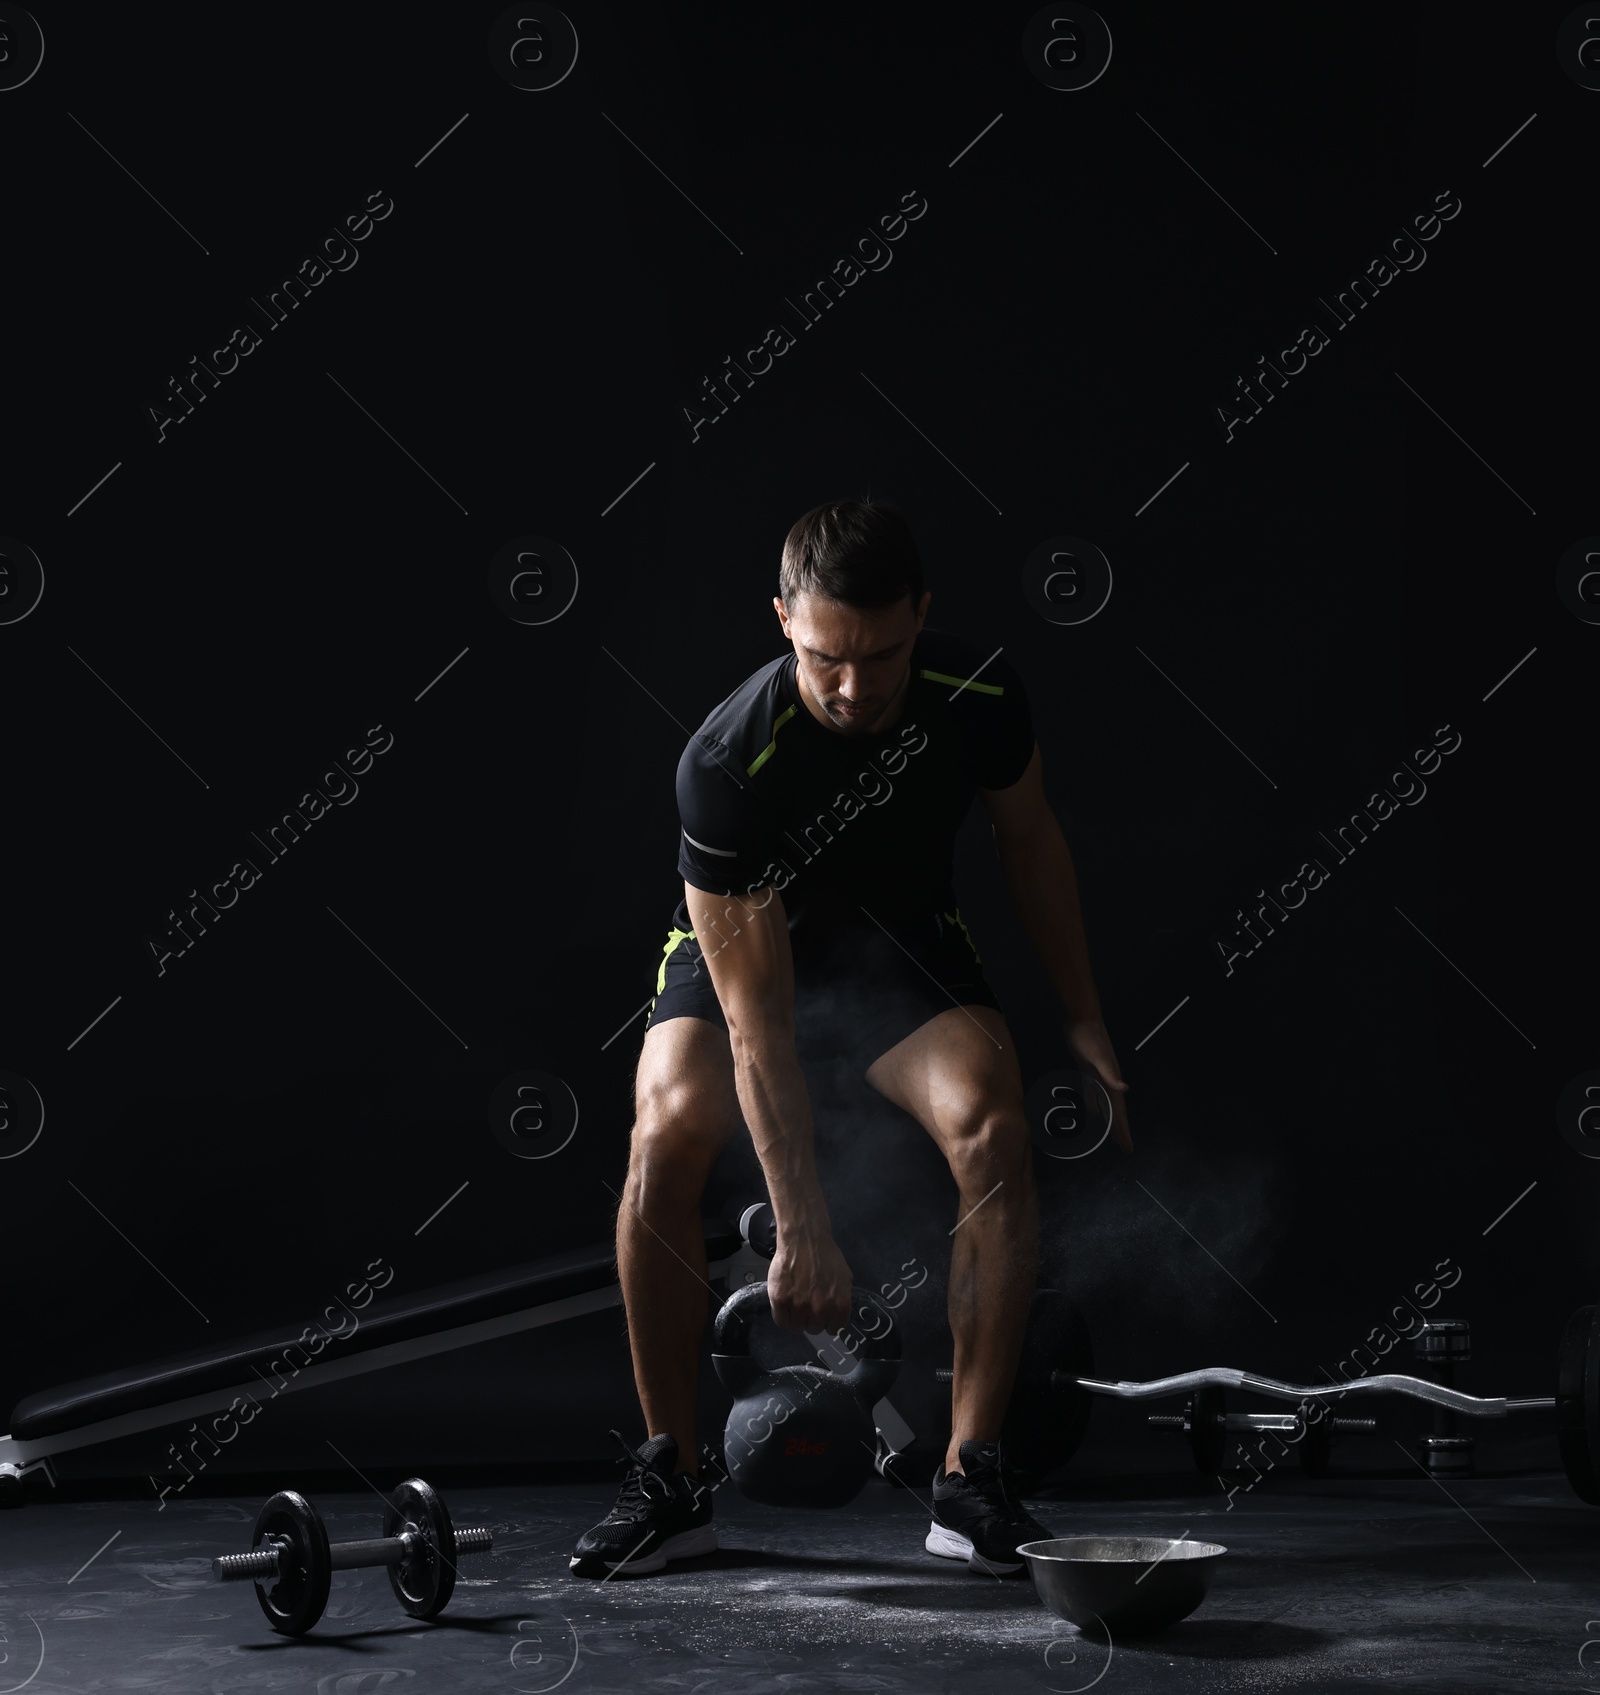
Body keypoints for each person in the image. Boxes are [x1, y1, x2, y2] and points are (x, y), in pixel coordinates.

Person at [570, 497, 1130, 1579]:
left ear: (922, 614)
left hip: (901, 947)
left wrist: (1083, 1014)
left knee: (995, 1126)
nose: (856, 687)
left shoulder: (979, 692)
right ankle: (670, 1483)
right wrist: (802, 1228)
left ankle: (969, 1479)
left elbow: (1030, 840)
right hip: (742, 955)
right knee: (664, 1134)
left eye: (883, 654)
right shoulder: (725, 764)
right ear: (784, 618)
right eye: (829, 656)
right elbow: (758, 1021)